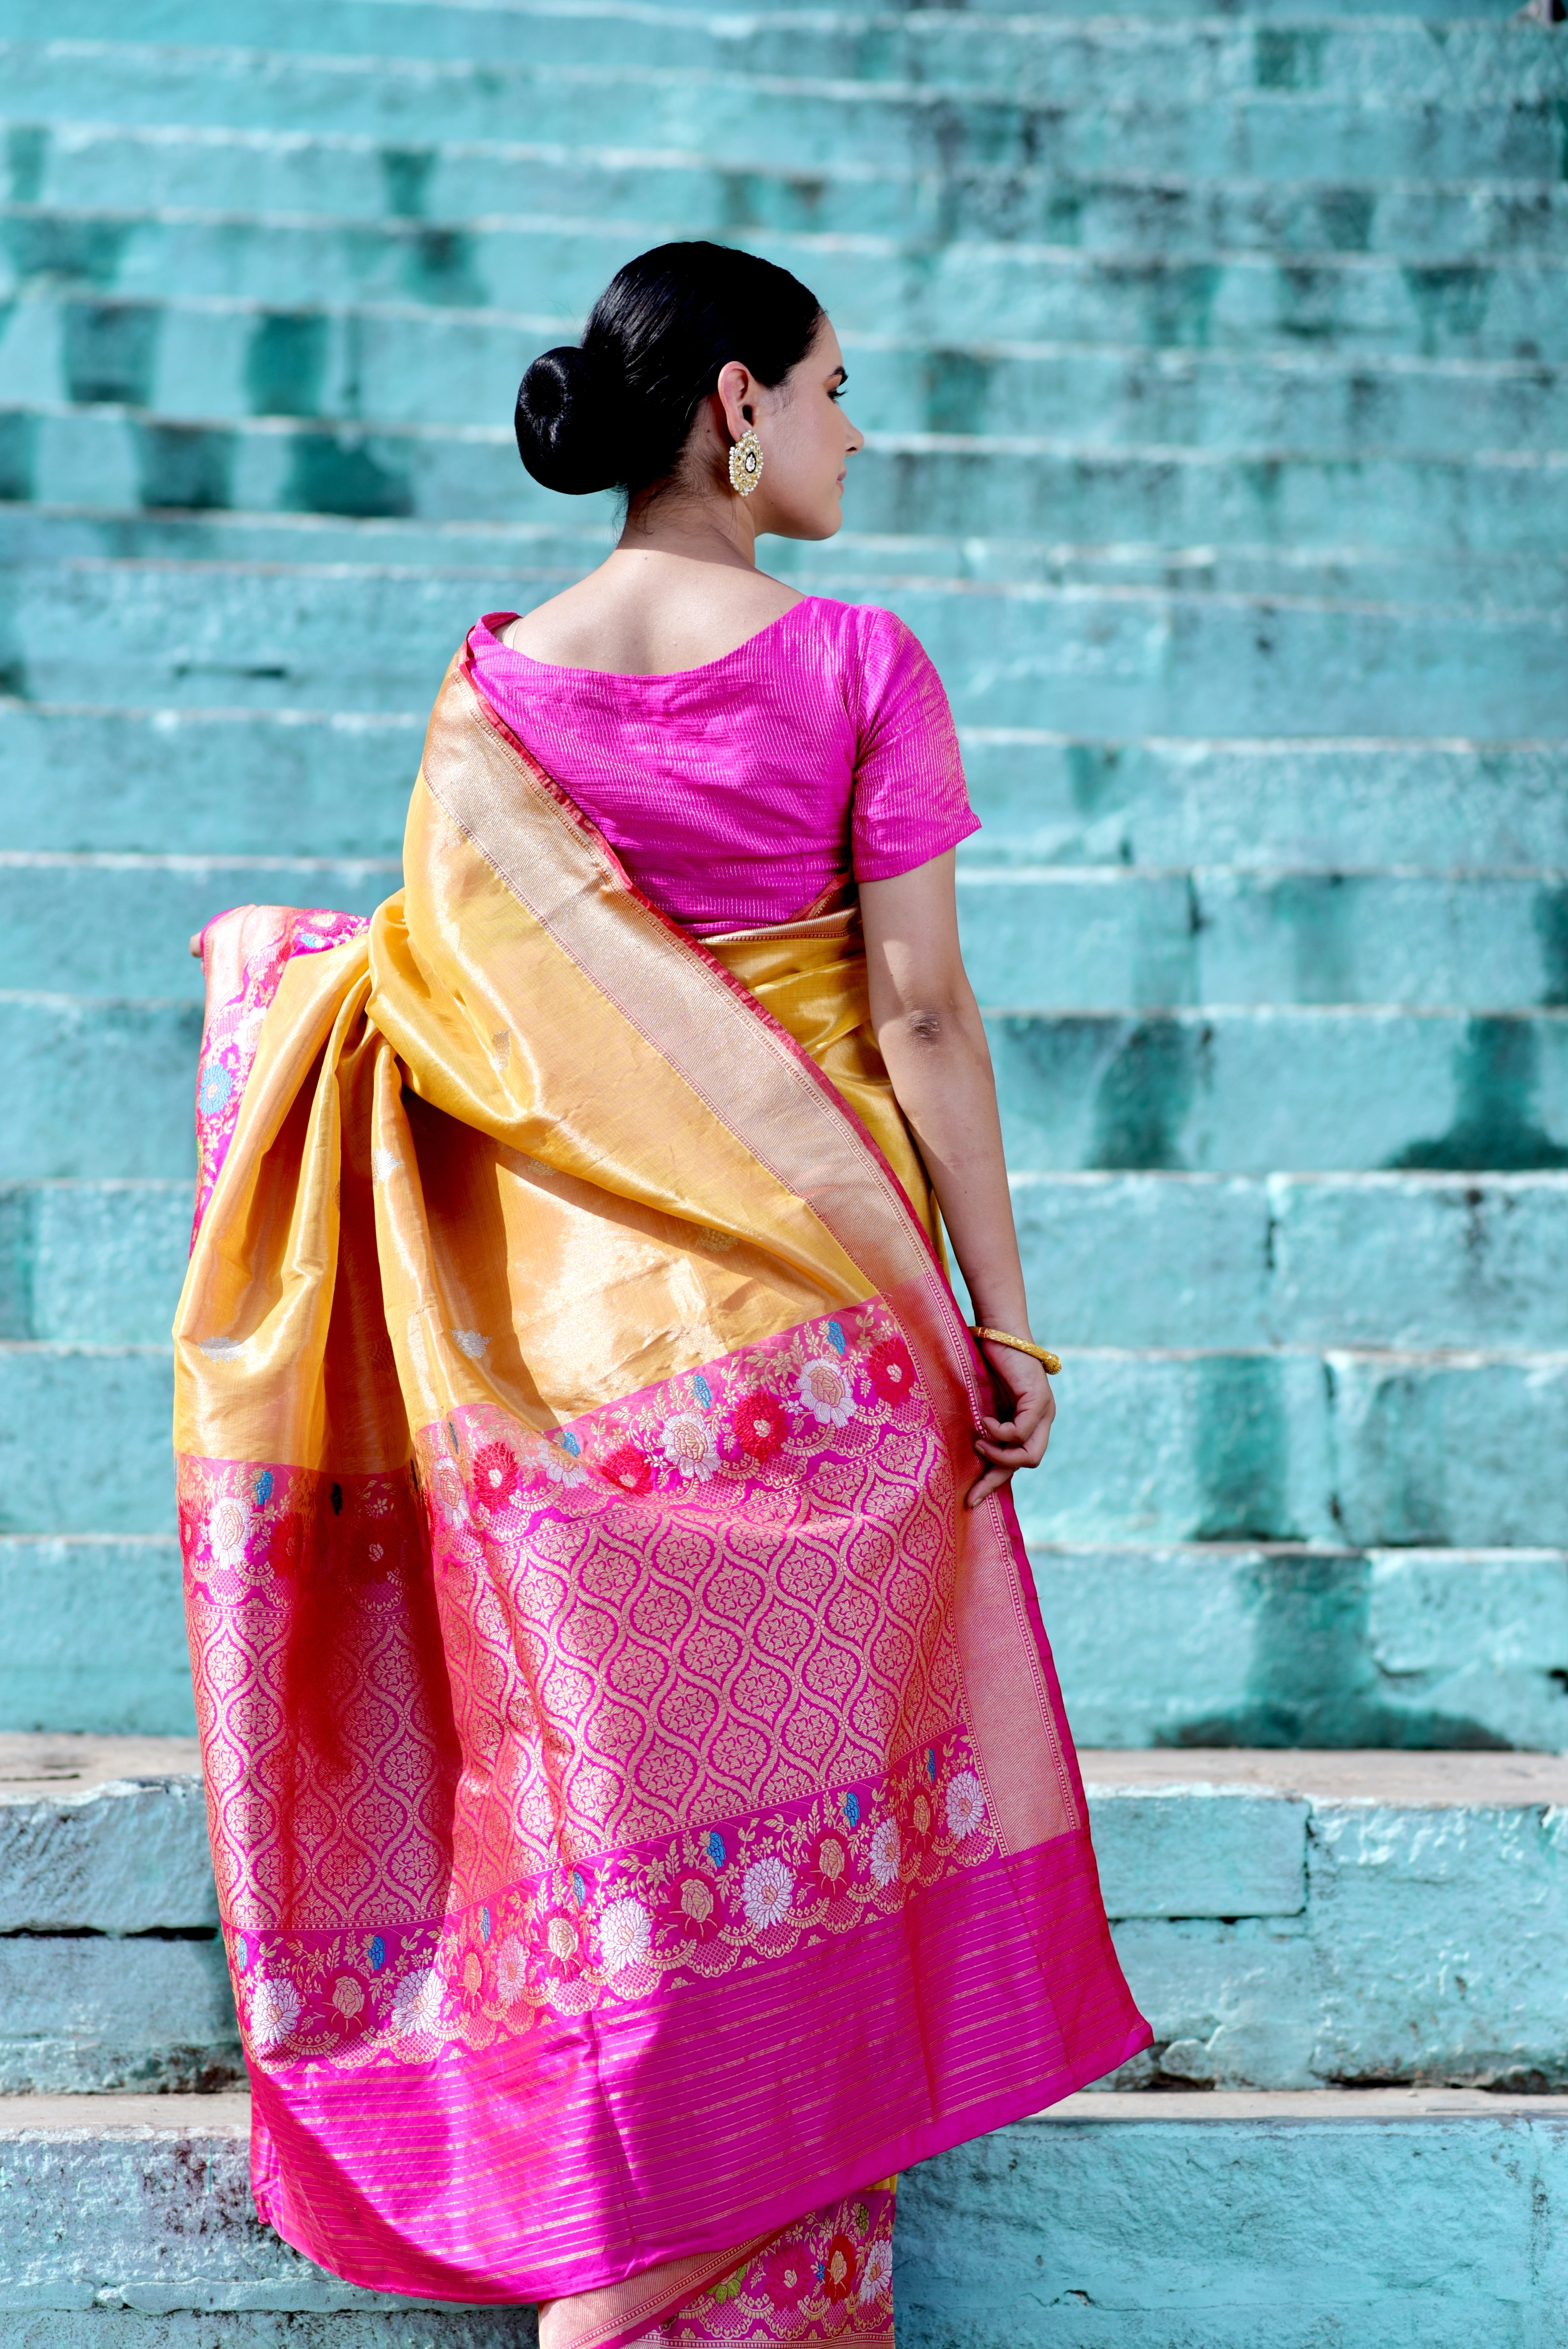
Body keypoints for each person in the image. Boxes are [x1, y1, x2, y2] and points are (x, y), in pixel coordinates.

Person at [175, 241, 1148, 2349]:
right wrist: (1006, 1315)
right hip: (832, 1360)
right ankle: (648, 2299)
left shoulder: (494, 692)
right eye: (832, 384)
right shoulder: (854, 663)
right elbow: (927, 1017)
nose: (852, 428)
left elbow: (450, 1029)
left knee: (646, 1860)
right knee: (807, 1865)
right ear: (737, 402)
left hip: (574, 1405)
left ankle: (620, 2264)